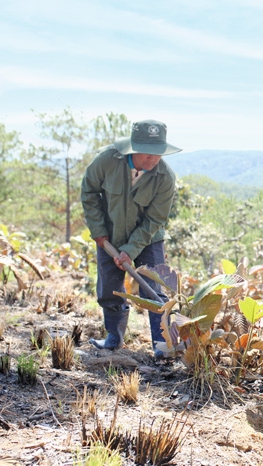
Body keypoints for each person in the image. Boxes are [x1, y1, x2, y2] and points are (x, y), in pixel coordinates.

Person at [81, 119, 181, 358]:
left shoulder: (165, 177)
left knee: (154, 289)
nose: (152, 159)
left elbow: (155, 219)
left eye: (158, 153)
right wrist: (98, 230)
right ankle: (113, 338)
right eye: (147, 153)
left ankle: (163, 345)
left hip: (148, 237)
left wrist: (131, 249)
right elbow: (89, 191)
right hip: (109, 234)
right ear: (133, 148)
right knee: (109, 287)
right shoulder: (107, 160)